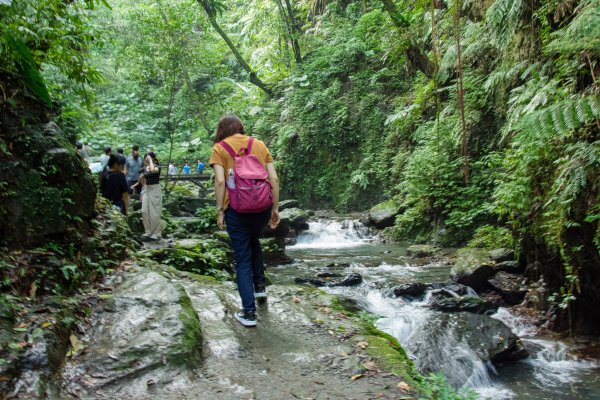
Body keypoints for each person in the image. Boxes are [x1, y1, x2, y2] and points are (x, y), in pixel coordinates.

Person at [209, 114, 280, 327]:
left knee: (242, 258)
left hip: (237, 209)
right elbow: (274, 178)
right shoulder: (258, 144)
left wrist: (220, 210)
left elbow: (220, 181)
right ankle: (260, 287)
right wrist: (275, 208)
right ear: (241, 127)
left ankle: (248, 313)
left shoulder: (220, 148)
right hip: (261, 207)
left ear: (222, 130)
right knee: (254, 241)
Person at [141, 152, 162, 240]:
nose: (145, 160)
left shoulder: (157, 166)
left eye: (147, 158)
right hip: (147, 190)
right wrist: (143, 191)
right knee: (144, 211)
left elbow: (153, 170)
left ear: (152, 158)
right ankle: (148, 231)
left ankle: (156, 233)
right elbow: (144, 180)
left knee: (154, 212)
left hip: (155, 189)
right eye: (145, 158)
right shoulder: (145, 168)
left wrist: (150, 160)